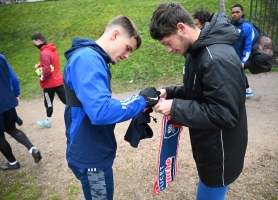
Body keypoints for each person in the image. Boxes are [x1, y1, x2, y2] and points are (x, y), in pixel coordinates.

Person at [150, 2, 248, 199]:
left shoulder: (215, 58)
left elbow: (224, 114)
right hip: (210, 146)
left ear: (181, 28)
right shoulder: (196, 52)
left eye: (168, 43)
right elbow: (198, 92)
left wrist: (176, 108)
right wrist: (169, 93)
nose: (169, 50)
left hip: (220, 154)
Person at [63, 15, 160, 200]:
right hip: (90, 153)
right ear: (115, 34)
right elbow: (101, 111)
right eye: (128, 48)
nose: (127, 56)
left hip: (93, 148)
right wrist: (141, 100)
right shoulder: (87, 59)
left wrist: (140, 101)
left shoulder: (93, 58)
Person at [0, 54, 42, 170]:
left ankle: (13, 163)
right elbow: (13, 78)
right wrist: (15, 94)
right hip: (8, 99)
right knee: (12, 128)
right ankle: (32, 148)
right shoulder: (1, 57)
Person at [31, 32, 66, 128]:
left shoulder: (44, 52)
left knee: (48, 103)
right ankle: (82, 115)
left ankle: (48, 121)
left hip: (49, 84)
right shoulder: (52, 50)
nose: (35, 45)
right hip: (58, 81)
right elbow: (51, 63)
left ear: (38, 41)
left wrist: (42, 79)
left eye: (34, 42)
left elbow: (46, 70)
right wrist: (40, 64)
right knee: (67, 101)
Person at [230, 4, 259, 98]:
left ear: (242, 13)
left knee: (238, 72)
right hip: (229, 56)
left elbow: (248, 46)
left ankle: (247, 90)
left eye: (237, 12)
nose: (234, 14)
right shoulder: (228, 25)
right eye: (233, 12)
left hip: (240, 57)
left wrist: (243, 61)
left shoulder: (247, 27)